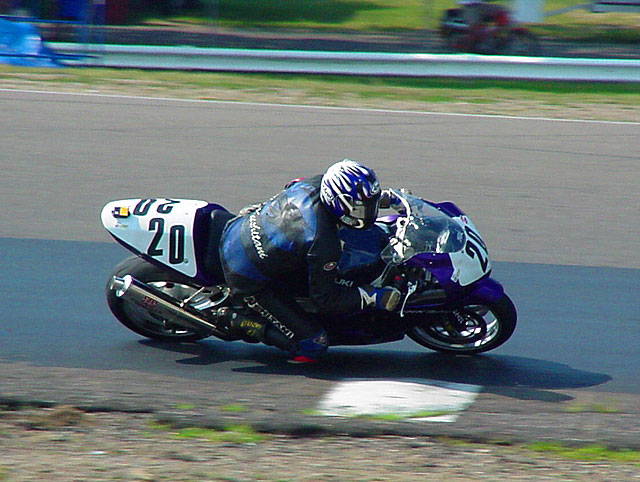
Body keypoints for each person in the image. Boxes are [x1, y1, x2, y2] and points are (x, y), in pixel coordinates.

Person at [218, 159, 401, 363]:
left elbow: (292, 184)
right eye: (361, 208)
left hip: (241, 226)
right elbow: (324, 299)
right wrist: (373, 296)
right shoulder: (323, 241)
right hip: (245, 274)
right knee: (314, 344)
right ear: (337, 201)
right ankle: (238, 321)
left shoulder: (317, 183)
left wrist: (385, 199)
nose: (368, 213)